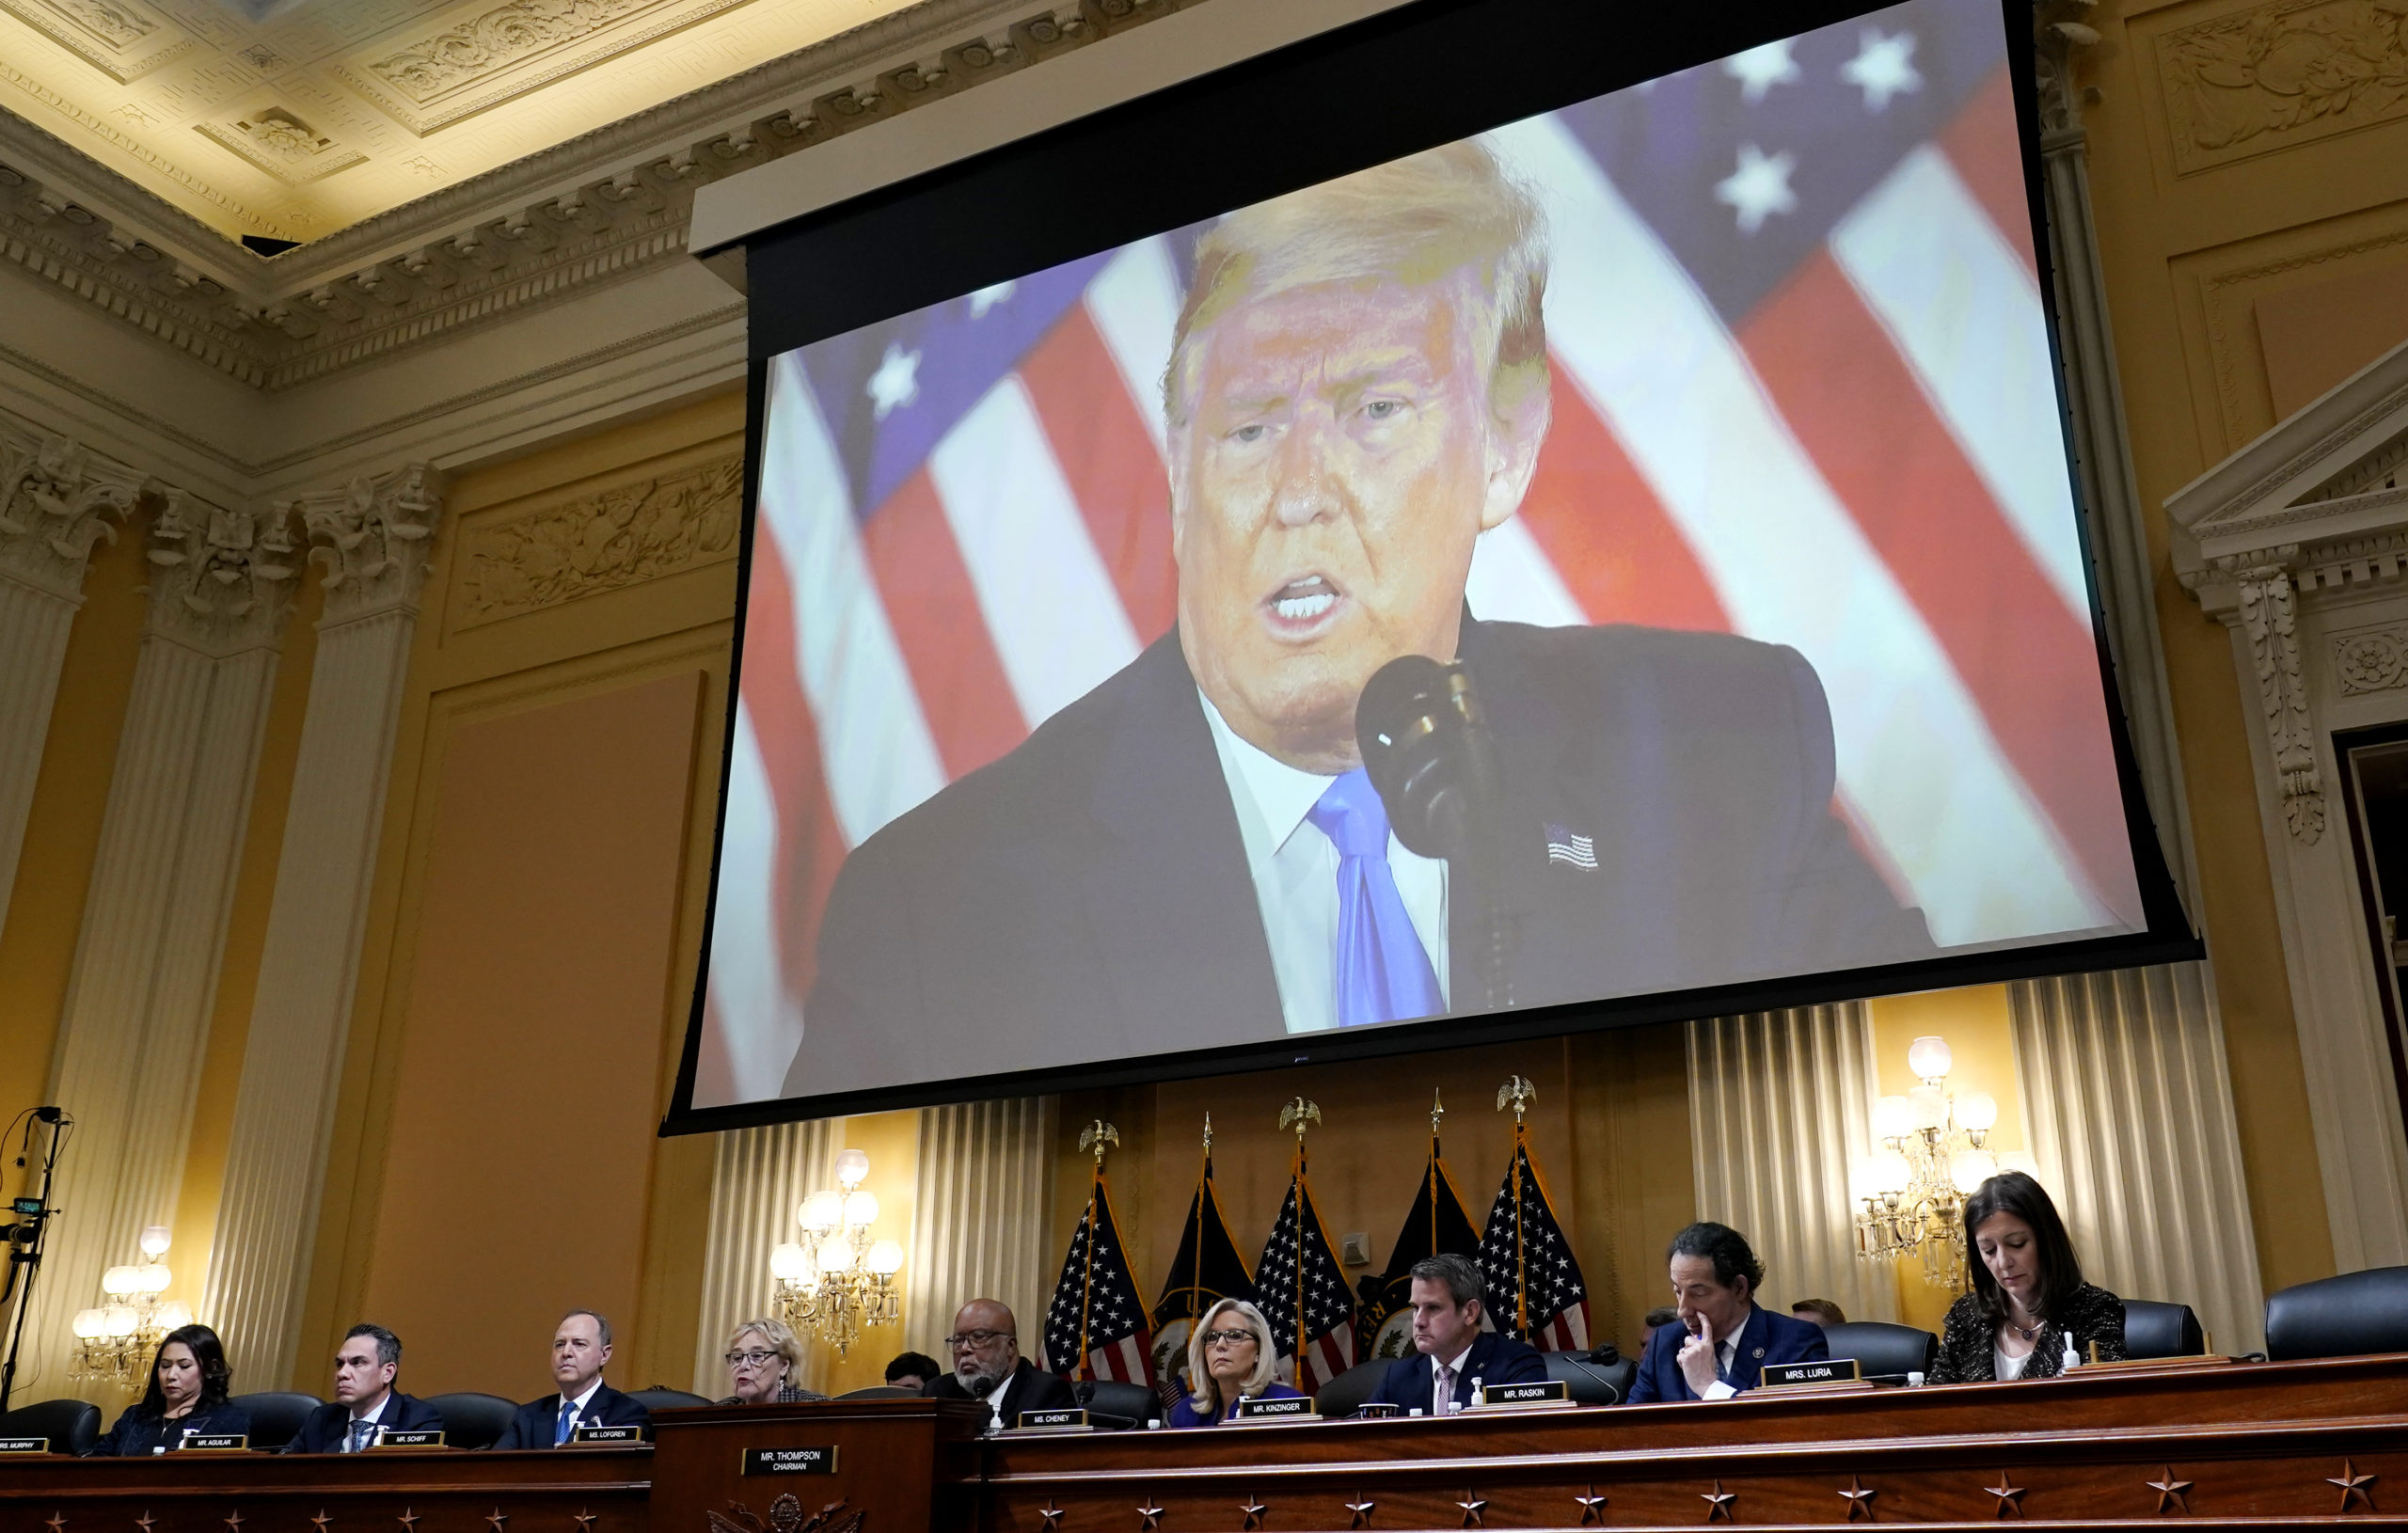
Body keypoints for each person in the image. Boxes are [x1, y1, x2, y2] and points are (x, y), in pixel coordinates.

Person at [789, 141, 1929, 1098]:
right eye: (1245, 428)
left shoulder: (1717, 752)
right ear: (1180, 475)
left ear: (1506, 445)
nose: (1297, 492)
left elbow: (1879, 1065)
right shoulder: (938, 907)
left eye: (1374, 410)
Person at [1929, 1172, 2127, 1383]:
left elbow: (2106, 1404)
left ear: (2047, 1240)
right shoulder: (1966, 1316)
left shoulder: (2095, 1311)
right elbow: (1933, 1404)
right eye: (1989, 1250)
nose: (2003, 1262)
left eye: (2017, 1244)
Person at [1625, 1223, 1827, 1402]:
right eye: (1678, 1291)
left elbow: (1797, 1430)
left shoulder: (1796, 1341)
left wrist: (1709, 1387)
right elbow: (1630, 1431)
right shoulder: (1666, 1343)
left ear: (1739, 1288)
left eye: (1698, 1293)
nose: (1682, 1310)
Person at [1363, 1256, 1546, 1415]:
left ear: (1469, 1312)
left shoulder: (1517, 1366)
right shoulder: (1398, 1377)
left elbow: (1521, 1444)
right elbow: (1364, 1443)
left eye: (1433, 1308)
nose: (1418, 1321)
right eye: (1415, 1308)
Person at [493, 1310, 652, 1447]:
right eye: (560, 1344)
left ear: (604, 1355)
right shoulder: (528, 1416)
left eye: (579, 1344)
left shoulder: (627, 1413)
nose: (566, 1352)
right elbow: (492, 1470)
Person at [284, 1323, 443, 1453]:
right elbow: (282, 1473)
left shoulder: (417, 1420)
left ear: (387, 1373)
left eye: (357, 1362)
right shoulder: (321, 1419)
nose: (342, 1373)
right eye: (340, 1364)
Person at [94, 1324, 252, 1455]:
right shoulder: (134, 1417)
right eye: (165, 1366)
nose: (171, 1375)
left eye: (184, 1366)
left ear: (211, 1369)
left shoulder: (227, 1420)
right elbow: (96, 1466)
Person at [920, 1299, 1074, 1429]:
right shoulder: (938, 1391)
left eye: (978, 1337)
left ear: (1010, 1346)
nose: (965, 1349)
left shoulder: (1047, 1392)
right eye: (958, 1341)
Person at [1165, 1299, 1304, 1427]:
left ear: (1258, 1351)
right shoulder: (1186, 1413)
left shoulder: (1288, 1405)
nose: (1220, 1345)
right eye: (1212, 1337)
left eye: (1235, 1335)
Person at [717, 1318, 827, 1405]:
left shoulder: (816, 1408)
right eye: (737, 1358)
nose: (743, 1365)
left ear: (783, 1366)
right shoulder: (720, 1412)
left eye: (756, 1356)